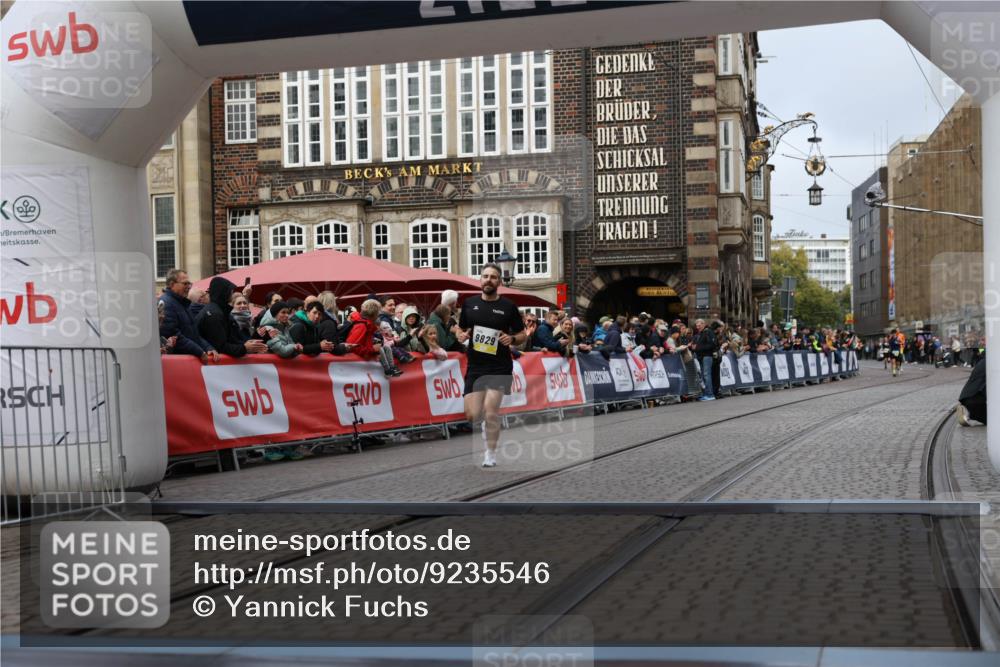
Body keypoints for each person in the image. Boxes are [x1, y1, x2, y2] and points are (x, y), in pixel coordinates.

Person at [457, 263, 528, 468]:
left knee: (490, 411)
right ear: (480, 279)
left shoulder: (508, 306)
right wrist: (460, 334)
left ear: (499, 282)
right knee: (472, 415)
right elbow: (460, 329)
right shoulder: (469, 304)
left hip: (499, 366)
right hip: (476, 365)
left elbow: (522, 334)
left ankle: (490, 453)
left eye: (493, 277)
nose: (488, 280)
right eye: (485, 276)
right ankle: (484, 428)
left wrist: (512, 339)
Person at [197, 277, 268, 357]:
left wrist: (253, 341)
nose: (231, 294)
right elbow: (220, 346)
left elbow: (234, 340)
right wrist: (244, 348)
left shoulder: (222, 312)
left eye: (245, 303)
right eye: (230, 292)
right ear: (223, 293)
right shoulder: (214, 314)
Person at [158, 269, 218, 361]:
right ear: (171, 284)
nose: (189, 287)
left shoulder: (183, 304)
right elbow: (173, 335)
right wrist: (199, 351)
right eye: (185, 284)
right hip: (177, 363)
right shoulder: (166, 303)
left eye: (189, 283)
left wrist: (208, 347)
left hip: (187, 360)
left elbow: (194, 334)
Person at [347, 299, 402, 377]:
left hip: (365, 364)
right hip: (359, 370)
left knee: (386, 348)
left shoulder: (367, 325)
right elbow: (351, 346)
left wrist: (373, 352)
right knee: (382, 348)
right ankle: (388, 370)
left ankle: (391, 368)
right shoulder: (361, 326)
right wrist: (372, 350)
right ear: (373, 314)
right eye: (377, 314)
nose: (378, 316)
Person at [690, 318, 718, 401]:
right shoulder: (702, 333)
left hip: (707, 356)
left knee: (706, 375)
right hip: (702, 356)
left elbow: (713, 344)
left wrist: (698, 347)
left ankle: (710, 394)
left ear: (704, 324)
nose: (698, 327)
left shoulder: (708, 332)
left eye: (699, 325)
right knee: (704, 376)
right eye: (697, 326)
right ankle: (706, 394)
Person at [957, 353, 986, 426]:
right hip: (979, 401)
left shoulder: (982, 361)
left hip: (966, 399)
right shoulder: (995, 365)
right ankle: (968, 414)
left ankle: (967, 414)